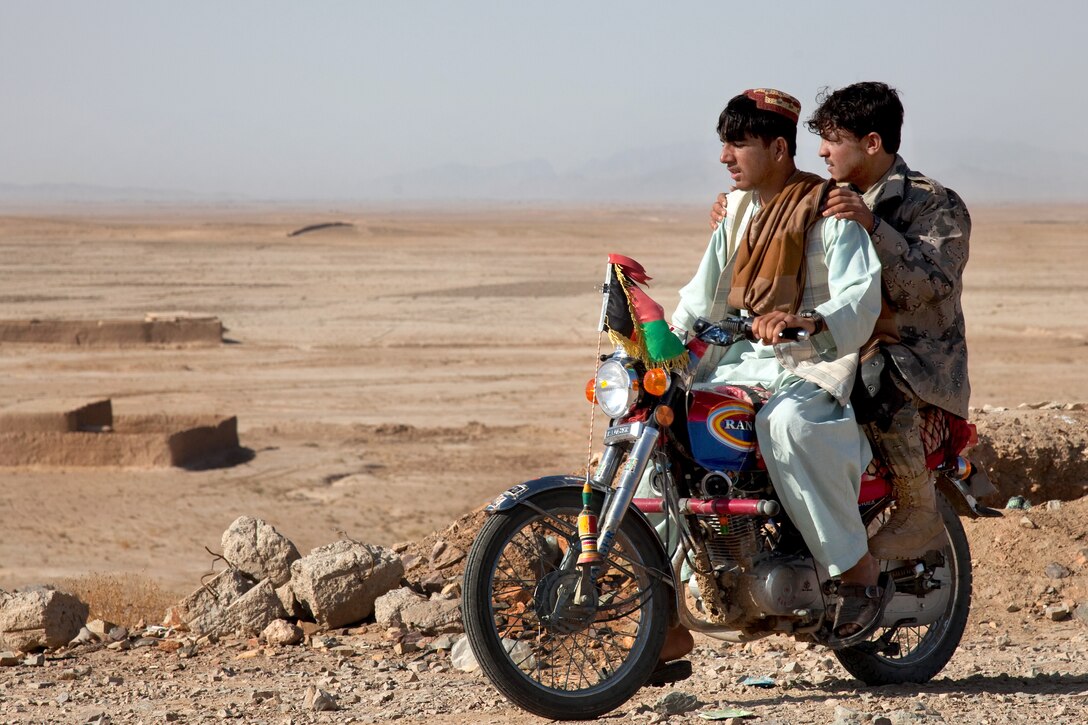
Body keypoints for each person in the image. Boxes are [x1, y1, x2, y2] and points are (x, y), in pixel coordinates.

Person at [654, 88, 889, 670]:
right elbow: (703, 295)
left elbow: (861, 296)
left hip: (811, 359)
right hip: (739, 361)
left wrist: (810, 320)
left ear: (778, 148)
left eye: (739, 144)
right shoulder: (735, 211)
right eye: (724, 144)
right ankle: (662, 621)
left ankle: (856, 569)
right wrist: (661, 353)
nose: (725, 158)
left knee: (787, 425)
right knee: (665, 436)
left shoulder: (829, 207)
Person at [710, 82, 971, 559]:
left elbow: (932, 286)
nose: (822, 151)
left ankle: (918, 508)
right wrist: (744, 215)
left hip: (917, 354)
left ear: (871, 143)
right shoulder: (826, 199)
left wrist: (874, 228)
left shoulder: (934, 203)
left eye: (833, 140)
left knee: (870, 377)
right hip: (852, 339)